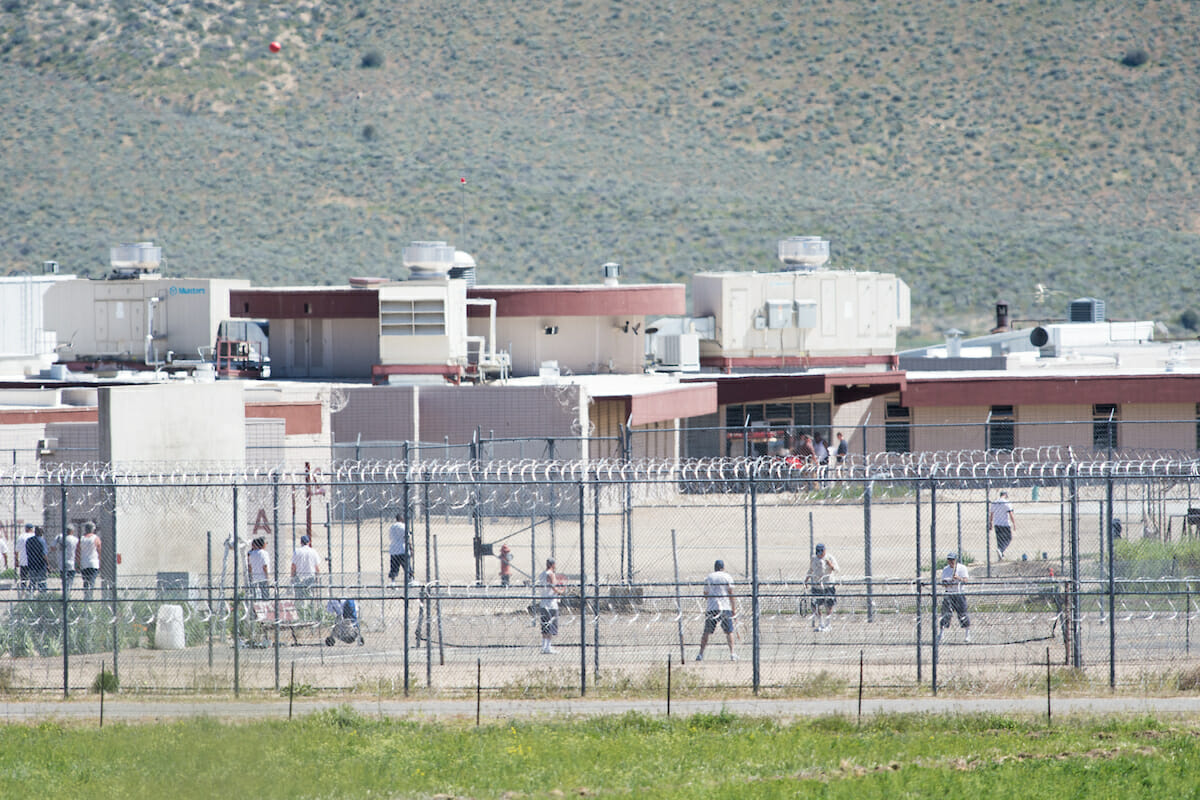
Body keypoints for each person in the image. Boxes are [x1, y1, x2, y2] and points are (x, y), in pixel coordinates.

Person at [696, 559, 738, 661]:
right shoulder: (727, 577)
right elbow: (731, 593)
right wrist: (733, 608)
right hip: (725, 607)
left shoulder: (709, 577)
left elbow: (705, 594)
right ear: (723, 567)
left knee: (707, 631)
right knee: (729, 632)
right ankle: (732, 653)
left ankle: (700, 654)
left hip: (712, 607)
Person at [938, 551, 971, 643]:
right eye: (949, 560)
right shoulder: (946, 569)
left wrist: (958, 578)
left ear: (955, 560)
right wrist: (948, 582)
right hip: (949, 593)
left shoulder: (962, 568)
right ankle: (941, 634)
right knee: (945, 614)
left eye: (952, 560)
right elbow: (943, 583)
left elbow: (966, 580)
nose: (951, 562)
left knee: (962, 614)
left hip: (959, 593)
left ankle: (967, 634)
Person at [805, 543, 839, 631]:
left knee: (829, 605)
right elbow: (811, 569)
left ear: (824, 551)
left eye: (821, 552)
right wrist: (807, 579)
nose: (820, 555)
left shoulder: (829, 558)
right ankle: (821, 623)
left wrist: (830, 565)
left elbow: (837, 569)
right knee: (814, 605)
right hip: (817, 585)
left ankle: (828, 624)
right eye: (818, 552)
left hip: (828, 584)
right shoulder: (814, 559)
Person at [535, 558, 565, 653]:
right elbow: (553, 586)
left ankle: (544, 646)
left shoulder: (542, 574)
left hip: (543, 602)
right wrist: (560, 592)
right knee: (551, 625)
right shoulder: (550, 574)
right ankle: (548, 647)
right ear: (553, 565)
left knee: (545, 626)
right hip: (551, 603)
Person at [290, 534, 321, 601]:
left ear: (301, 542)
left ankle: (300, 609)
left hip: (300, 576)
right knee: (309, 594)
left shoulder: (297, 551)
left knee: (299, 596)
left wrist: (292, 576)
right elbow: (317, 567)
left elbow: (293, 566)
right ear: (309, 542)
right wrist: (318, 577)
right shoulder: (313, 551)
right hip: (310, 576)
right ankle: (309, 608)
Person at [77, 522, 102, 600]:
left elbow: (78, 552)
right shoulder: (96, 538)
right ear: (93, 529)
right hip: (93, 563)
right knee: (92, 581)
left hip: (84, 563)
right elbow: (99, 550)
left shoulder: (81, 539)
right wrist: (100, 562)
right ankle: (90, 596)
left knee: (85, 581)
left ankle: (86, 596)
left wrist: (78, 563)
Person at [990, 490, 1016, 560]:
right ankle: (1001, 550)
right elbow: (1010, 513)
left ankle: (1000, 554)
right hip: (1005, 523)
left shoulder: (994, 502)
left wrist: (990, 523)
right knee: (1009, 538)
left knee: (999, 540)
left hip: (997, 524)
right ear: (1005, 495)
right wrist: (1014, 523)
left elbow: (991, 514)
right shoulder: (1006, 502)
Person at [387, 513, 411, 586]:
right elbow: (407, 537)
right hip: (402, 549)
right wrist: (411, 548)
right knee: (407, 566)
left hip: (393, 549)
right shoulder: (403, 526)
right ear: (401, 518)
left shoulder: (392, 527)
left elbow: (390, 537)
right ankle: (410, 580)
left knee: (394, 566)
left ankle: (393, 582)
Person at [56, 524, 79, 593]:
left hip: (62, 562)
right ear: (72, 531)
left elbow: (53, 547)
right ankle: (68, 593)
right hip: (71, 562)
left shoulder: (60, 538)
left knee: (64, 580)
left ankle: (65, 593)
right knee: (70, 579)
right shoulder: (75, 539)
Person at [26, 527, 48, 593]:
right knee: (42, 582)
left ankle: (30, 595)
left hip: (31, 564)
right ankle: (42, 597)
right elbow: (44, 554)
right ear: (41, 532)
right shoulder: (42, 541)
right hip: (41, 565)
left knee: (32, 581)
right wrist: (48, 564)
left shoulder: (29, 540)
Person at [16, 522, 34, 597]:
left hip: (23, 561)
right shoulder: (34, 536)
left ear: (26, 529)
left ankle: (23, 591)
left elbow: (16, 550)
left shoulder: (21, 537)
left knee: (23, 578)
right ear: (31, 529)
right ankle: (30, 591)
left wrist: (16, 560)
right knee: (32, 578)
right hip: (33, 561)